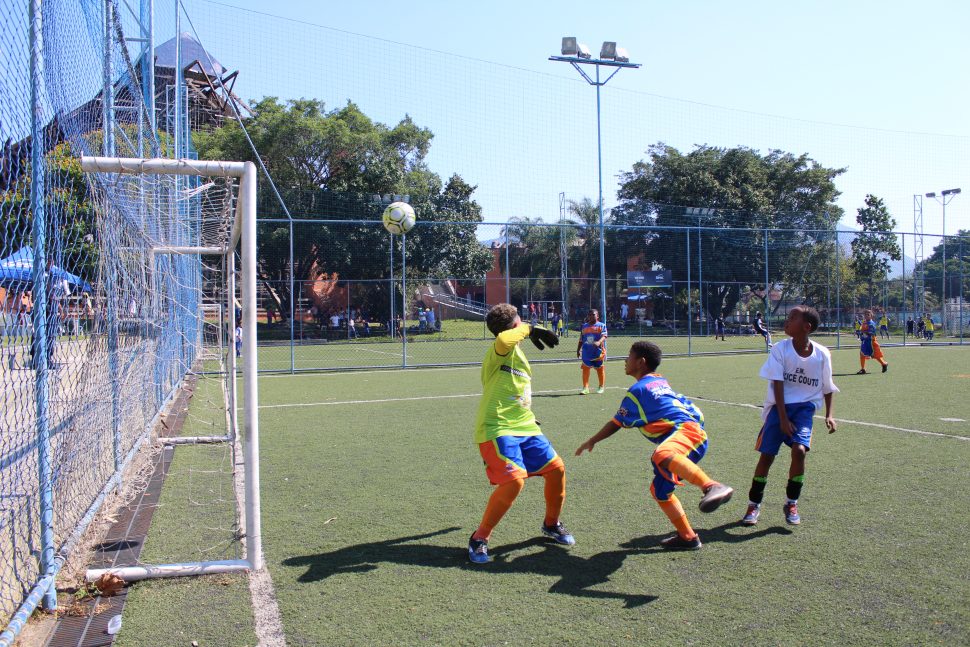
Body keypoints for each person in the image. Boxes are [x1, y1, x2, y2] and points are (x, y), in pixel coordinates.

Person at [575, 341, 734, 550]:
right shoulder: (659, 381)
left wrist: (592, 440)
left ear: (640, 362)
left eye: (629, 356)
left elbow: (617, 423)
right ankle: (688, 537)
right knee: (660, 490)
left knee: (662, 454)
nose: (625, 360)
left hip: (685, 433)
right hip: (692, 432)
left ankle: (711, 486)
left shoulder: (638, 391)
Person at [468, 303, 572, 564]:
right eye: (520, 322)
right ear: (516, 325)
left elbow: (516, 389)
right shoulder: (500, 349)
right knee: (514, 481)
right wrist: (530, 328)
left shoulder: (518, 354)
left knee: (556, 469)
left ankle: (551, 524)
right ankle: (479, 538)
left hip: (525, 425)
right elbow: (504, 337)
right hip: (497, 427)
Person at [741, 306, 838, 526]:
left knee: (800, 451)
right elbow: (777, 383)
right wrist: (783, 419)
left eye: (792, 318)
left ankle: (791, 502)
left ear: (807, 327)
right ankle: (753, 504)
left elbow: (827, 386)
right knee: (767, 457)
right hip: (779, 408)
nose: (787, 321)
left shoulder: (822, 354)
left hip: (804, 410)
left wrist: (830, 415)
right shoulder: (779, 350)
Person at [576, 309, 607, 394]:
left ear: (597, 316)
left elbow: (604, 336)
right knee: (585, 368)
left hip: (598, 352)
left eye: (593, 314)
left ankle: (601, 386)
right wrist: (578, 350)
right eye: (589, 314)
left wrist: (599, 342)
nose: (591, 316)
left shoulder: (601, 325)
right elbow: (581, 339)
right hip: (586, 352)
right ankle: (585, 388)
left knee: (600, 369)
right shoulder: (584, 326)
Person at [858, 308, 888, 374]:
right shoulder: (864, 322)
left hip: (871, 342)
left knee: (875, 355)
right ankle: (863, 369)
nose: (866, 316)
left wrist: (863, 332)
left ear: (871, 315)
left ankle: (884, 363)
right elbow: (862, 330)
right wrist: (861, 333)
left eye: (868, 314)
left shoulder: (871, 323)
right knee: (862, 354)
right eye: (865, 314)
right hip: (865, 341)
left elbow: (871, 332)